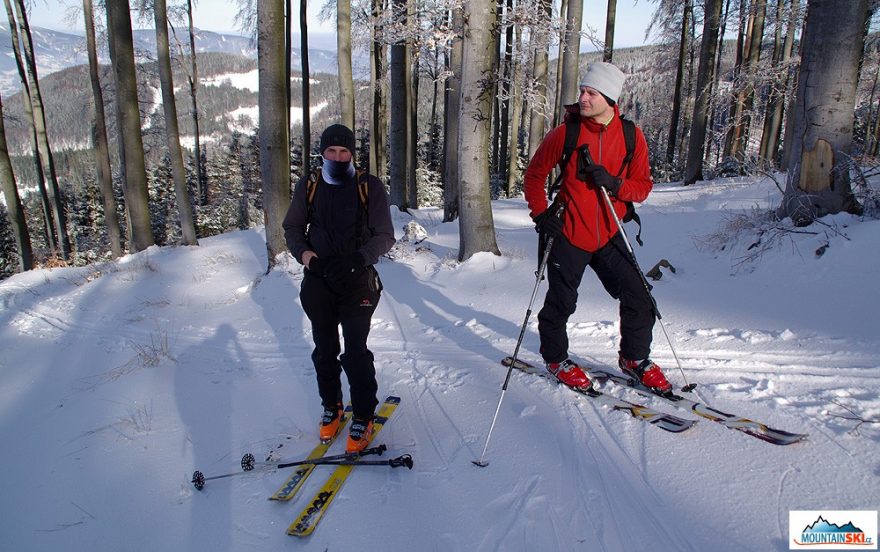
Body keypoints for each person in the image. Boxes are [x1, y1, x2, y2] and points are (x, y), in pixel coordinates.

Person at [522, 61, 672, 394]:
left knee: (640, 297)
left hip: (609, 234)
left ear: (609, 98)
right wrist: (540, 214)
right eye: (583, 91)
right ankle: (556, 359)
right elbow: (534, 175)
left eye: (591, 93)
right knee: (560, 303)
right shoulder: (567, 133)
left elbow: (643, 187)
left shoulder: (631, 136)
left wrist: (615, 183)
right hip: (570, 233)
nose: (583, 98)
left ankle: (634, 359)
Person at [283, 124, 395, 453]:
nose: (337, 156)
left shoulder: (368, 186)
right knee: (325, 348)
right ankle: (331, 407)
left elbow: (384, 234)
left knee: (355, 351)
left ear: (352, 154)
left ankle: (363, 415)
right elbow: (292, 227)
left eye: (343, 151)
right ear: (322, 152)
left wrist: (358, 259)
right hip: (318, 279)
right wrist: (308, 258)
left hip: (356, 278)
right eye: (331, 151)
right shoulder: (309, 185)